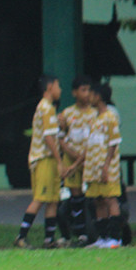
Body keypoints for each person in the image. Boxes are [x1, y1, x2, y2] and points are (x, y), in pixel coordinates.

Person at [15, 75, 64, 249]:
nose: (60, 89)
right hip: (44, 159)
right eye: (58, 85)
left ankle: (49, 239)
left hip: (47, 159)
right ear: (50, 87)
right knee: (40, 198)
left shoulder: (46, 108)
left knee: (53, 199)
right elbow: (49, 137)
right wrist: (59, 161)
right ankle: (21, 236)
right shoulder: (46, 107)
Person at [83, 83, 124, 248]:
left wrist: (106, 165)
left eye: (91, 94)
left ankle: (115, 238)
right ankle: (103, 238)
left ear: (98, 96)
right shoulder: (95, 118)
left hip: (107, 168)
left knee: (110, 199)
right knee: (98, 200)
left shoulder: (110, 117)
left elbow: (113, 143)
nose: (89, 97)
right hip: (94, 168)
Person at [58, 75, 96, 246]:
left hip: (89, 160)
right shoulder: (67, 113)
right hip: (71, 160)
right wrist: (71, 154)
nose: (87, 94)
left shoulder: (95, 114)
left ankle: (95, 232)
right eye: (83, 90)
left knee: (95, 196)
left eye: (89, 90)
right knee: (76, 197)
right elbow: (60, 137)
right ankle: (80, 234)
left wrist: (81, 158)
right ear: (74, 93)